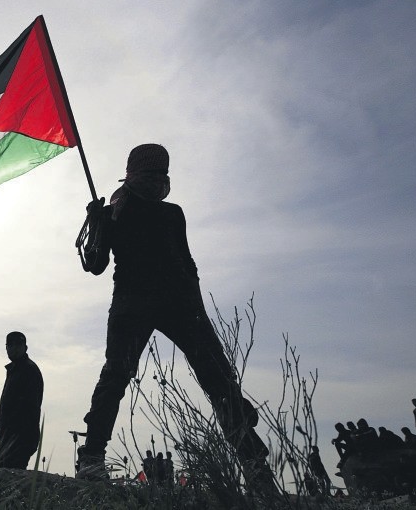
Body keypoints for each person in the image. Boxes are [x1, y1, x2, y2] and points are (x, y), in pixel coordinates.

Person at [75, 144, 275, 495]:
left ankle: (255, 467)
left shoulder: (162, 213)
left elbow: (183, 265)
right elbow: (96, 263)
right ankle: (255, 468)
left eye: (160, 174)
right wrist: (96, 223)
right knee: (213, 382)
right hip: (155, 303)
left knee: (212, 381)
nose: (156, 180)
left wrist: (99, 222)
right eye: (152, 173)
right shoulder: (117, 214)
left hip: (165, 303)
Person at [0, 331, 44, 469]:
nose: (14, 348)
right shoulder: (16, 369)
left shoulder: (28, 370)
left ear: (25, 348)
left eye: (18, 345)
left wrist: (12, 433)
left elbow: (29, 407)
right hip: (10, 436)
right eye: (11, 345)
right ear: (6, 348)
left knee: (4, 477)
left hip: (20, 437)